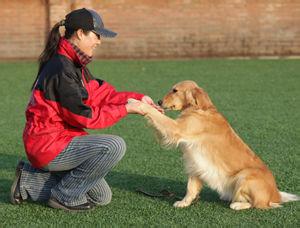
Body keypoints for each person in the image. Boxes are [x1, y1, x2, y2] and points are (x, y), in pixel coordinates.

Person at [10, 8, 161, 212]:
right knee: (114, 145)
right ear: (80, 33)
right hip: (47, 144)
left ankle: (28, 180)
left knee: (101, 197)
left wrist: (136, 98)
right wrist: (128, 109)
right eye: (97, 35)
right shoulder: (61, 69)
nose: (99, 41)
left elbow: (100, 94)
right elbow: (86, 117)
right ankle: (63, 197)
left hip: (63, 139)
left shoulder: (73, 63)